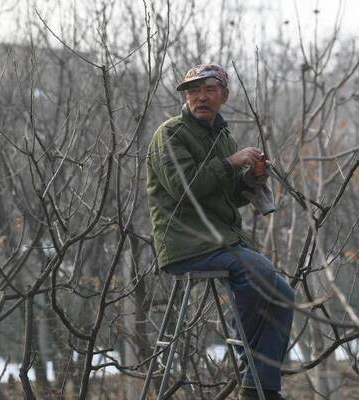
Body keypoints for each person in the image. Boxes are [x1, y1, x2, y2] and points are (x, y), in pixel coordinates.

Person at [146, 64, 294, 400]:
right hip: (185, 242)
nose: (200, 96)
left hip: (220, 240)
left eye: (209, 89)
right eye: (193, 90)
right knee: (259, 269)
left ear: (223, 96)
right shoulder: (170, 134)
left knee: (284, 293)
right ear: (185, 96)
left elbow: (231, 196)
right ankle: (252, 376)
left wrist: (253, 176)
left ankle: (263, 389)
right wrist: (231, 162)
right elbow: (185, 188)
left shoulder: (222, 137)